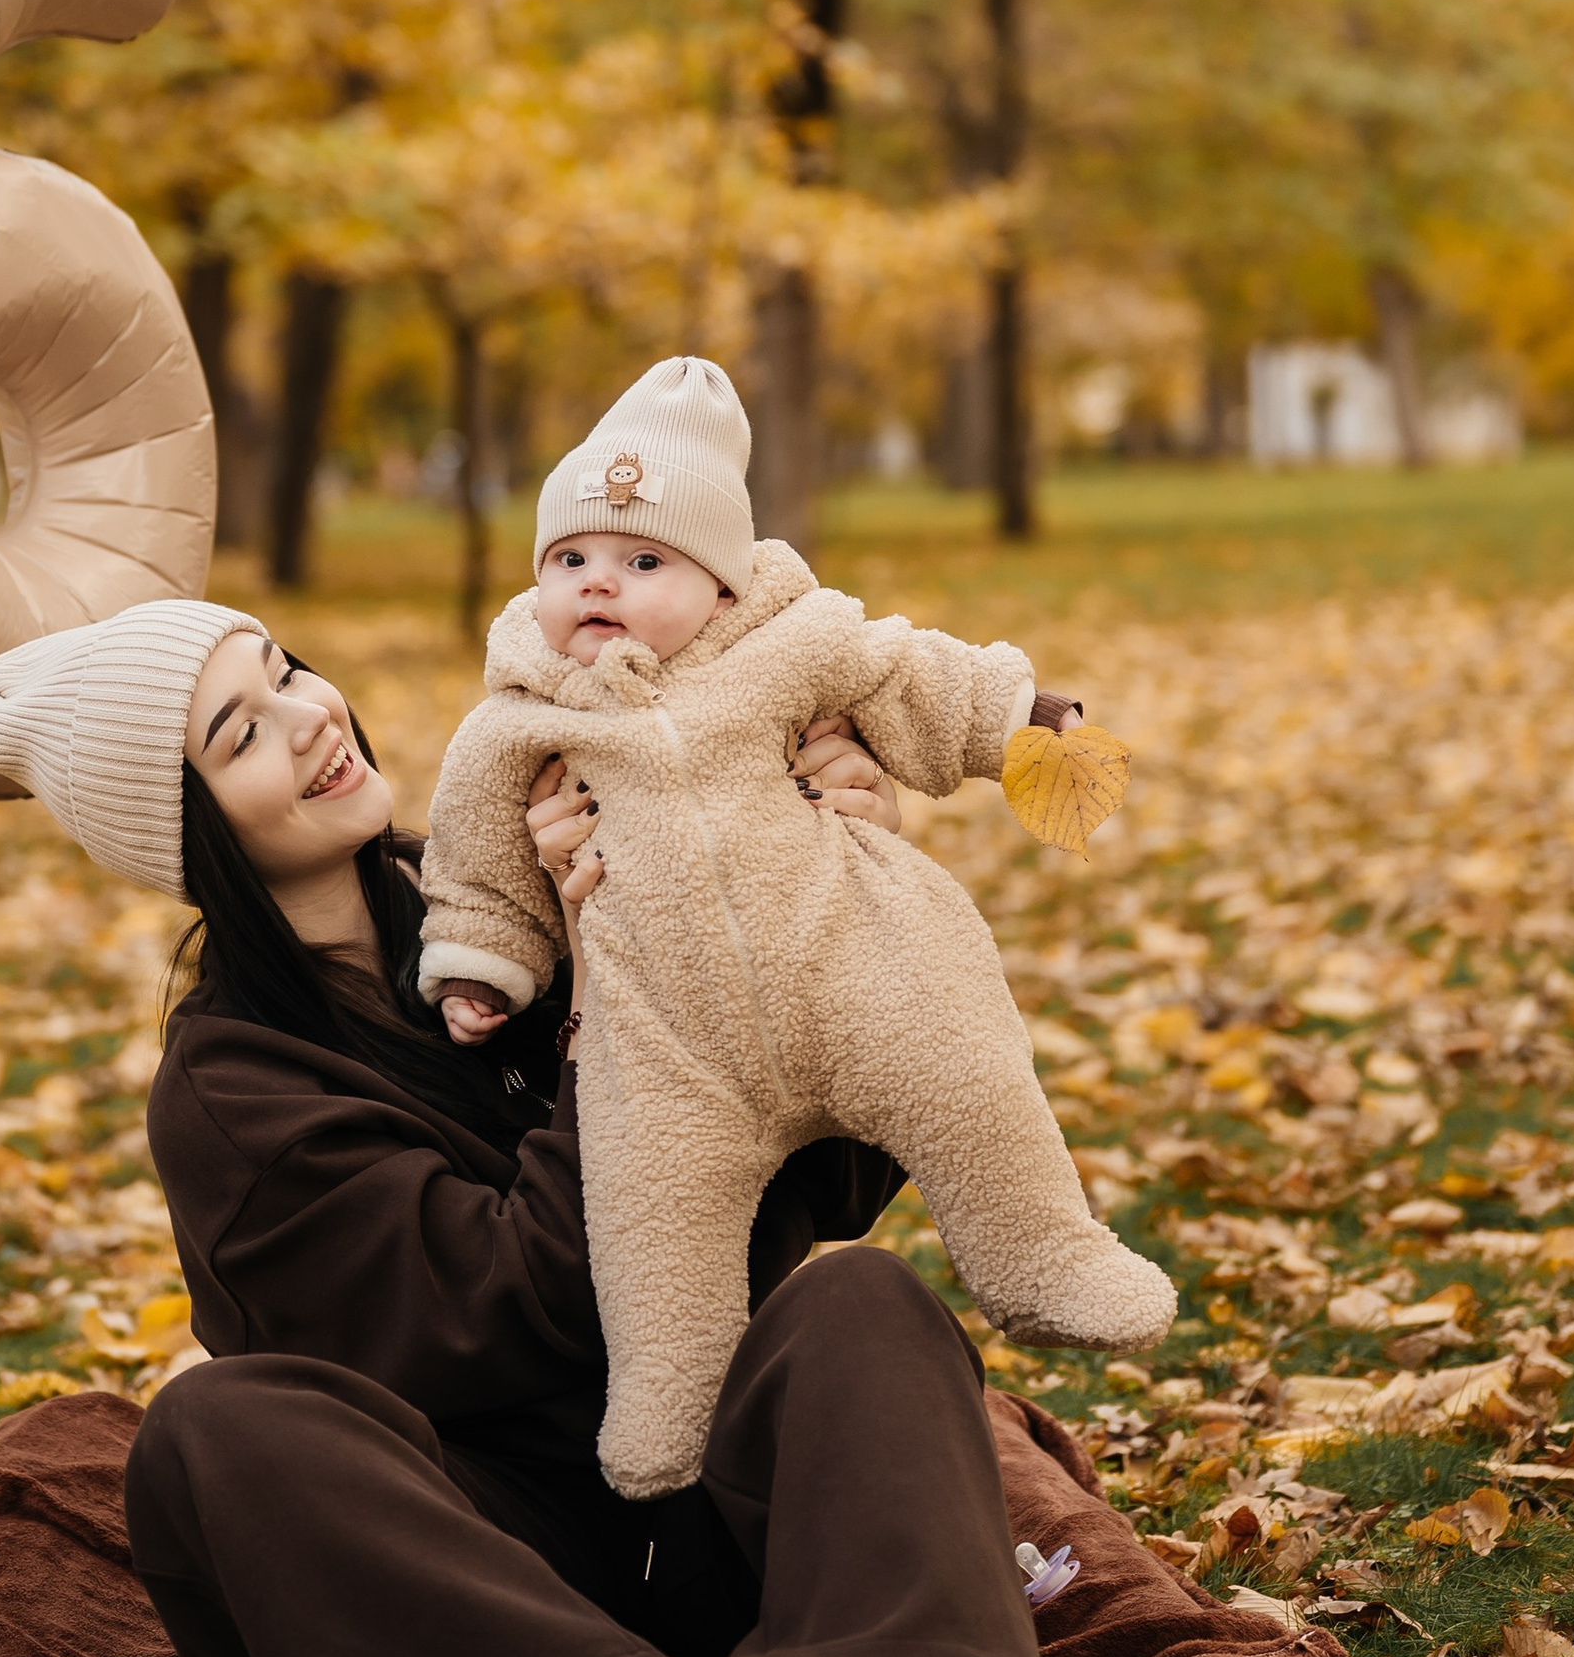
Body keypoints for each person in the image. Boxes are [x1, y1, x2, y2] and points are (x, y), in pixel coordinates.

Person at [0, 594, 1083, 1657]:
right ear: (187, 837)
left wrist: (827, 901)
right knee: (211, 1434)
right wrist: (620, 985)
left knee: (859, 1301)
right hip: (485, 1578)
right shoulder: (234, 1090)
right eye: (239, 733)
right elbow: (508, 1311)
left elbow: (804, 1186)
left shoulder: (498, 890)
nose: (309, 715)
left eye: (287, 668)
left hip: (710, 1509)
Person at [418, 356, 1175, 1497]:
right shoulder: (514, 720)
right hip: (667, 1042)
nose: (596, 584)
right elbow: (477, 854)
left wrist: (1019, 712)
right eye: (568, 560)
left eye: (641, 560)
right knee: (648, 1210)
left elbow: (914, 670)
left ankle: (1043, 1254)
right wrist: (482, 961)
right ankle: (669, 1407)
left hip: (853, 968)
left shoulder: (792, 642)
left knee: (967, 1078)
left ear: (721, 587)